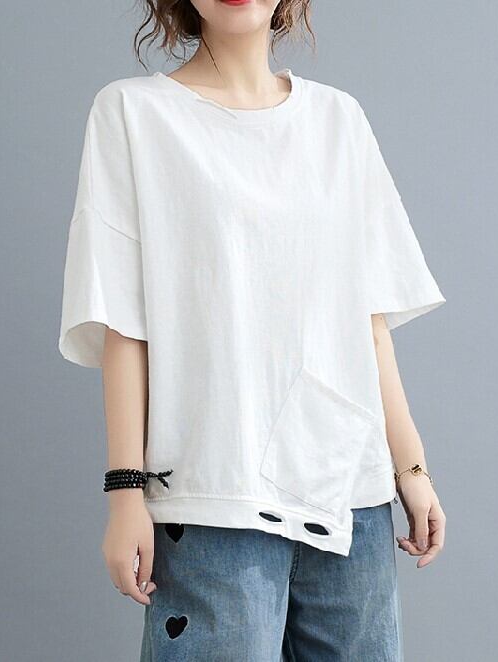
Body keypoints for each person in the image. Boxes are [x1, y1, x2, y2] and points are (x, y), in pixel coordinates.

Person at [58, 1, 447, 659]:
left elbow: (365, 316)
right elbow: (124, 320)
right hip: (212, 498)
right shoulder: (133, 114)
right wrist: (125, 494)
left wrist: (411, 466)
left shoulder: (338, 120)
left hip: (349, 497)